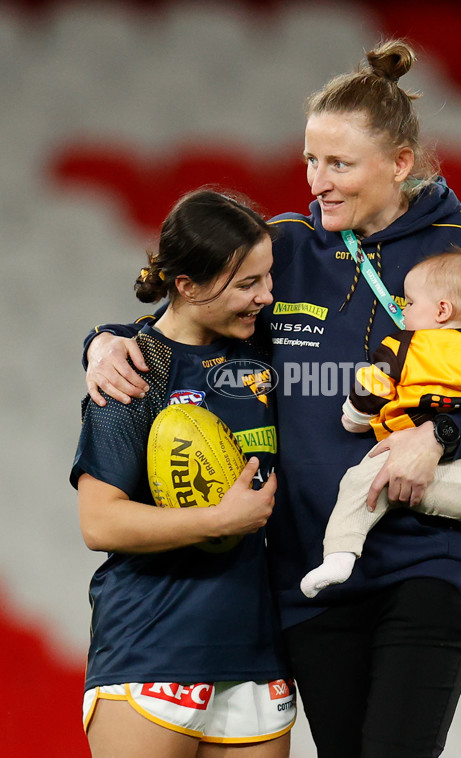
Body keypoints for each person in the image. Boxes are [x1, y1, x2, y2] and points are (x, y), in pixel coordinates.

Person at [82, 40, 461, 758]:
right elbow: (186, 310)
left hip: (425, 564)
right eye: (311, 161)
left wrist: (440, 438)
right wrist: (103, 339)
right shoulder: (284, 246)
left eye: (339, 164)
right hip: (310, 578)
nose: (317, 181)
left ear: (399, 164)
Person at [70, 188, 296, 758]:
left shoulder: (266, 351)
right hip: (152, 645)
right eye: (248, 284)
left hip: (255, 652)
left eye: (267, 279)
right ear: (188, 286)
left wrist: (97, 336)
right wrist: (219, 520)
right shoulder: (133, 371)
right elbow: (100, 523)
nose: (266, 298)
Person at [300, 249, 461, 616]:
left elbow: (373, 387)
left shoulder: (402, 344)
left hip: (392, 459)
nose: (402, 310)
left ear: (441, 311)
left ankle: (338, 558)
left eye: (410, 302)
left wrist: (353, 417)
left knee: (355, 487)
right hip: (459, 465)